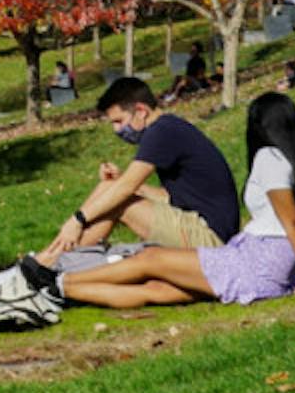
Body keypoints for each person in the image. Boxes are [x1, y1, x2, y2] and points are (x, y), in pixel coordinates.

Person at [16, 93, 295, 309]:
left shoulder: (270, 159)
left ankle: (51, 279)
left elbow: (293, 226)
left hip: (256, 262)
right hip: (263, 264)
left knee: (149, 260)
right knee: (158, 290)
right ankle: (59, 288)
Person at [33, 77, 240, 268]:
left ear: (140, 111)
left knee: (119, 200)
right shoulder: (170, 127)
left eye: (119, 121)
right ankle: (49, 260)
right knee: (112, 188)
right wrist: (122, 182)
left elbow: (125, 189)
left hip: (211, 239)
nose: (117, 130)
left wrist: (77, 220)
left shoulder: (161, 132)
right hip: (207, 229)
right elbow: (168, 197)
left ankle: (48, 264)